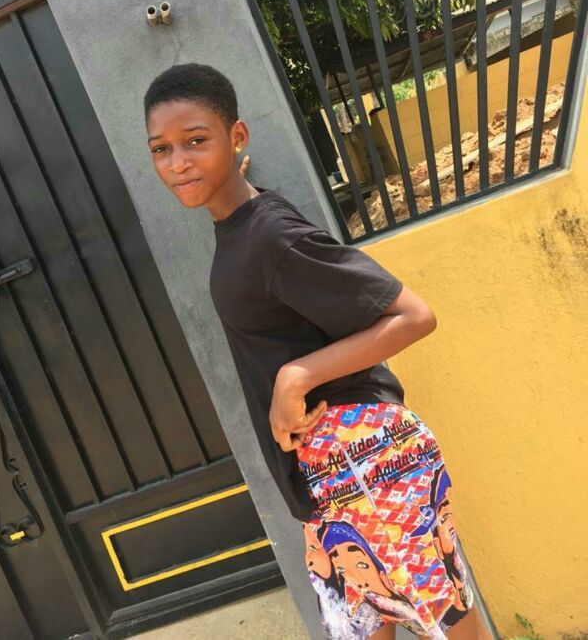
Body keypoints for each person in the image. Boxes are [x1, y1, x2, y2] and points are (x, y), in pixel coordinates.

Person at [144, 62, 492, 640]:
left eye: (196, 141)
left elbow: (414, 316)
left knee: (451, 627)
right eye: (161, 148)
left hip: (367, 456)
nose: (177, 162)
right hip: (324, 473)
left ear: (237, 137)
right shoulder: (242, 224)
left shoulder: (270, 235)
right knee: (366, 629)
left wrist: (296, 377)